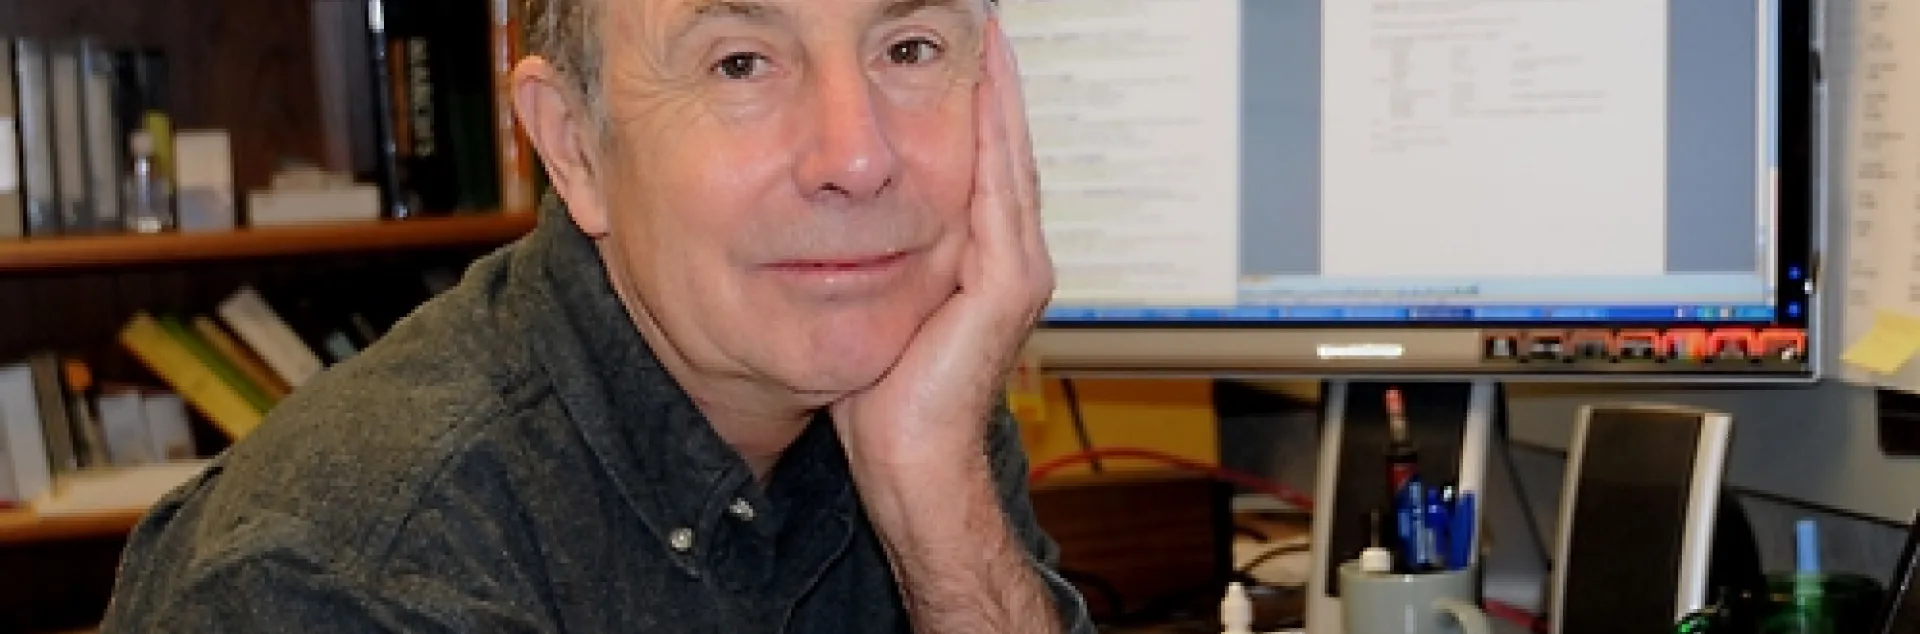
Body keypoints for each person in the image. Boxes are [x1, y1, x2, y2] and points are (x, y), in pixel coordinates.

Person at [97, 0, 1092, 631]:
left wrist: (937, 509)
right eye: (739, 63)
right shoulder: (358, 579)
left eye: (909, 47)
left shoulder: (912, 389)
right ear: (573, 148)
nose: (858, 155)